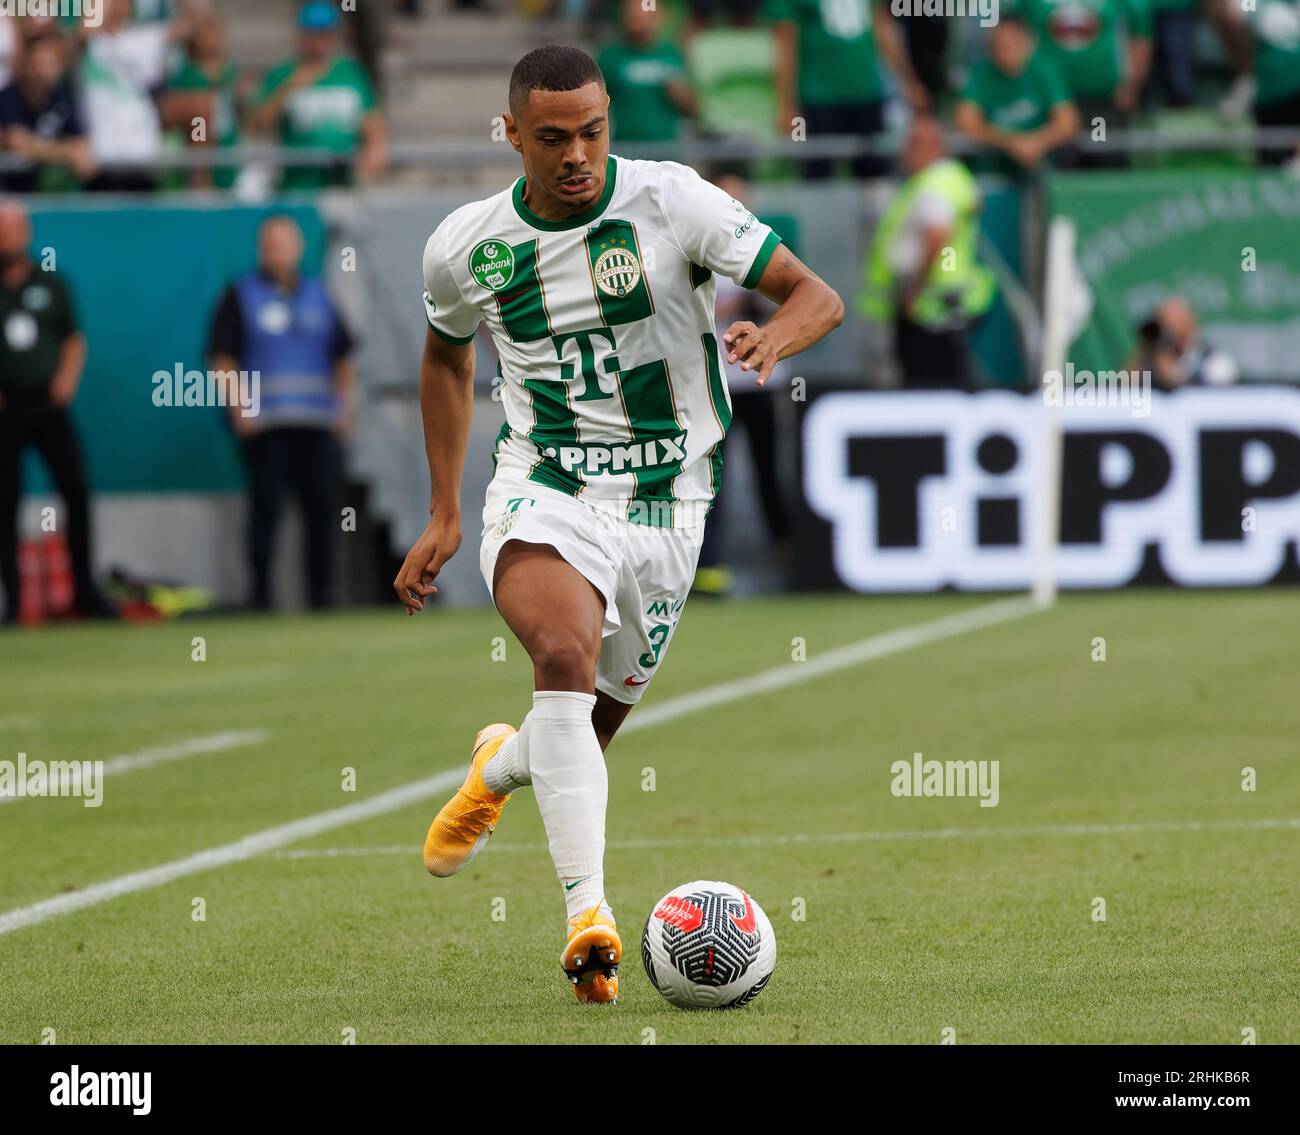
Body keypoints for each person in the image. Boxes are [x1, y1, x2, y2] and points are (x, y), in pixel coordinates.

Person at [397, 45, 843, 1003]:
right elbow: (444, 361)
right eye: (552, 138)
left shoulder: (673, 201)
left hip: (670, 504)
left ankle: (497, 766)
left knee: (580, 741)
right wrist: (442, 511)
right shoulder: (464, 247)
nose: (576, 155)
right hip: (546, 487)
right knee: (560, 653)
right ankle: (587, 920)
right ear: (511, 134)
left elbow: (819, 294)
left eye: (592, 132)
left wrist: (774, 334)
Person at [207, 214, 356, 610]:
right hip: (266, 426)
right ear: (261, 249)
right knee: (266, 508)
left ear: (298, 248)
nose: (277, 252)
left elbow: (343, 357)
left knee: (322, 509)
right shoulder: (240, 295)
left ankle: (321, 595)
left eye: (284, 244)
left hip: (317, 423)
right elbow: (222, 358)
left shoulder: (319, 295)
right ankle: (261, 596)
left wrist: (342, 409)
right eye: (270, 244)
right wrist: (240, 407)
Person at [0, 198, 112, 625]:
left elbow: (73, 339)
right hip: (6, 409)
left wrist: (66, 379)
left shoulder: (52, 284)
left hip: (47, 404)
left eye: (13, 228)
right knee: (5, 502)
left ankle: (85, 591)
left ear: (26, 233)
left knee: (76, 488)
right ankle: (13, 601)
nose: (7, 236)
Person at [694, 171, 790, 597]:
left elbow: (793, 295)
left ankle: (789, 552)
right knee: (712, 475)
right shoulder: (695, 245)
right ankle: (708, 563)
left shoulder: (766, 245)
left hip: (760, 380)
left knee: (771, 469)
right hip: (715, 383)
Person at [859, 116, 996, 389]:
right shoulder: (938, 180)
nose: (905, 151)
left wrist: (915, 288)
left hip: (932, 307)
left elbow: (936, 235)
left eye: (913, 143)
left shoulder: (938, 181)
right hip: (937, 306)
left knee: (930, 390)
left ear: (932, 146)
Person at [766, 0, 928, 179]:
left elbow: (883, 28)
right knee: (816, 173)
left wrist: (909, 81)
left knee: (874, 175)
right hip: (817, 99)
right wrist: (787, 107)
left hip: (867, 94)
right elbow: (786, 45)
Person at [249, 1, 388, 191]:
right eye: (314, 33)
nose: (320, 40)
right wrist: (287, 89)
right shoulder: (283, 74)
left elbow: (371, 121)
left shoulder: (350, 72)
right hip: (298, 185)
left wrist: (374, 148)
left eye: (326, 33)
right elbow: (258, 126)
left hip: (342, 183)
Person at [1022, 0, 1152, 168]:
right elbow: (1013, 31)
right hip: (1052, 102)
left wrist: (1132, 85)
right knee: (1062, 163)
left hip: (1103, 101)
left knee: (1105, 157)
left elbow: (1140, 37)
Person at [954, 13, 1080, 177]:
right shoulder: (981, 74)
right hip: (992, 167)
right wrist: (1011, 143)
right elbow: (966, 122)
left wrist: (1037, 142)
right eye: (998, 44)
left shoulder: (1045, 70)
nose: (1006, 49)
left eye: (1013, 43)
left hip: (1042, 165)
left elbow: (1068, 122)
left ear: (1028, 43)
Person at [0, 29, 96, 193]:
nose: (46, 70)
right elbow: (17, 141)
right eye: (41, 62)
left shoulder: (62, 97)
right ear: (27, 63)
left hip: (48, 197)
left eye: (52, 62)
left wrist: (38, 148)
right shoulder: (8, 97)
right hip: (9, 195)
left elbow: (81, 145)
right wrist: (65, 153)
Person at [596, 0, 695, 146]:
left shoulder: (672, 53)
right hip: (627, 148)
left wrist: (681, 96)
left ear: (659, 16)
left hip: (668, 147)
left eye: (643, 11)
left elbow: (694, 108)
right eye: (631, 11)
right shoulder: (610, 57)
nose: (636, 16)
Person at [1129, 297, 1238, 390]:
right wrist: (1146, 348)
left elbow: (1217, 397)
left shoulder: (1214, 361)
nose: (1165, 327)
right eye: (1161, 321)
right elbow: (1126, 385)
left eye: (1171, 321)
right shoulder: (1154, 357)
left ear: (1189, 324)